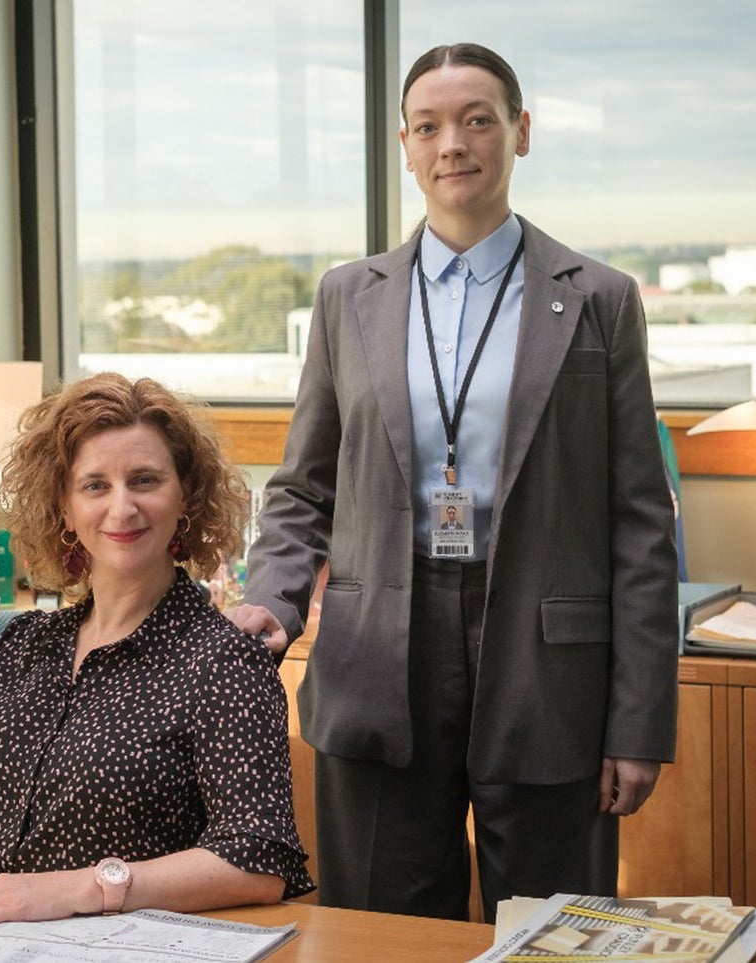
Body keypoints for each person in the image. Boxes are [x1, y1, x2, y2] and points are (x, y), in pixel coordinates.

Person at [227, 42, 678, 922]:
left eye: (478, 120)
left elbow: (639, 523)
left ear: (521, 132)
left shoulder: (601, 299)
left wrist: (637, 721)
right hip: (375, 648)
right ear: (405, 144)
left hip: (547, 661)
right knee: (381, 927)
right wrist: (271, 600)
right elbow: (303, 488)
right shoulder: (346, 296)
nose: (454, 143)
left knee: (553, 931)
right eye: (429, 125)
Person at [0, 373, 314, 929]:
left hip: (115, 938)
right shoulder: (22, 644)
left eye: (144, 480)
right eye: (95, 486)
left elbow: (256, 862)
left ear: (185, 497)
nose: (122, 506)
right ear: (64, 508)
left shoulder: (224, 661)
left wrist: (68, 890)